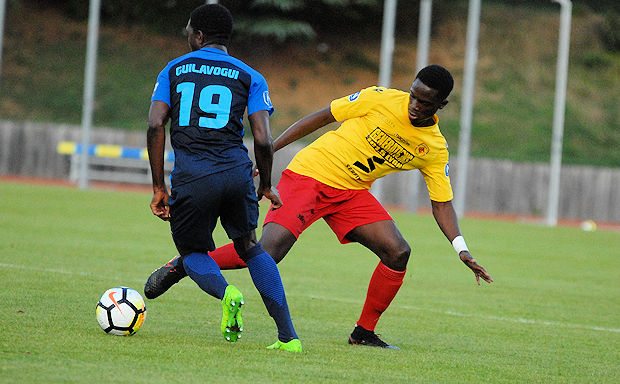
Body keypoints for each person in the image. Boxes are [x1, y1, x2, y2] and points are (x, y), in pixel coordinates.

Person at [148, 64, 493, 350]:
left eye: (424, 102)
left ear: (441, 105)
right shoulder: (380, 98)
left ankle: (363, 334)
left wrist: (461, 249)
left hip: (352, 192)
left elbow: (442, 203)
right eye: (413, 95)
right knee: (268, 251)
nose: (414, 105)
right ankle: (186, 263)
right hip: (310, 175)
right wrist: (269, 151)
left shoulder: (434, 147)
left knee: (398, 251)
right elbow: (321, 117)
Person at [144, 4, 301, 352]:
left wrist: (158, 187)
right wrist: (265, 185)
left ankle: (226, 292)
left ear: (198, 36)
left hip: (193, 176)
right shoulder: (250, 75)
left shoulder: (172, 70)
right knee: (251, 248)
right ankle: (289, 338)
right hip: (236, 173)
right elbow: (262, 138)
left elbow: (156, 124)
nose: (188, 37)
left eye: (189, 32)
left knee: (192, 252)